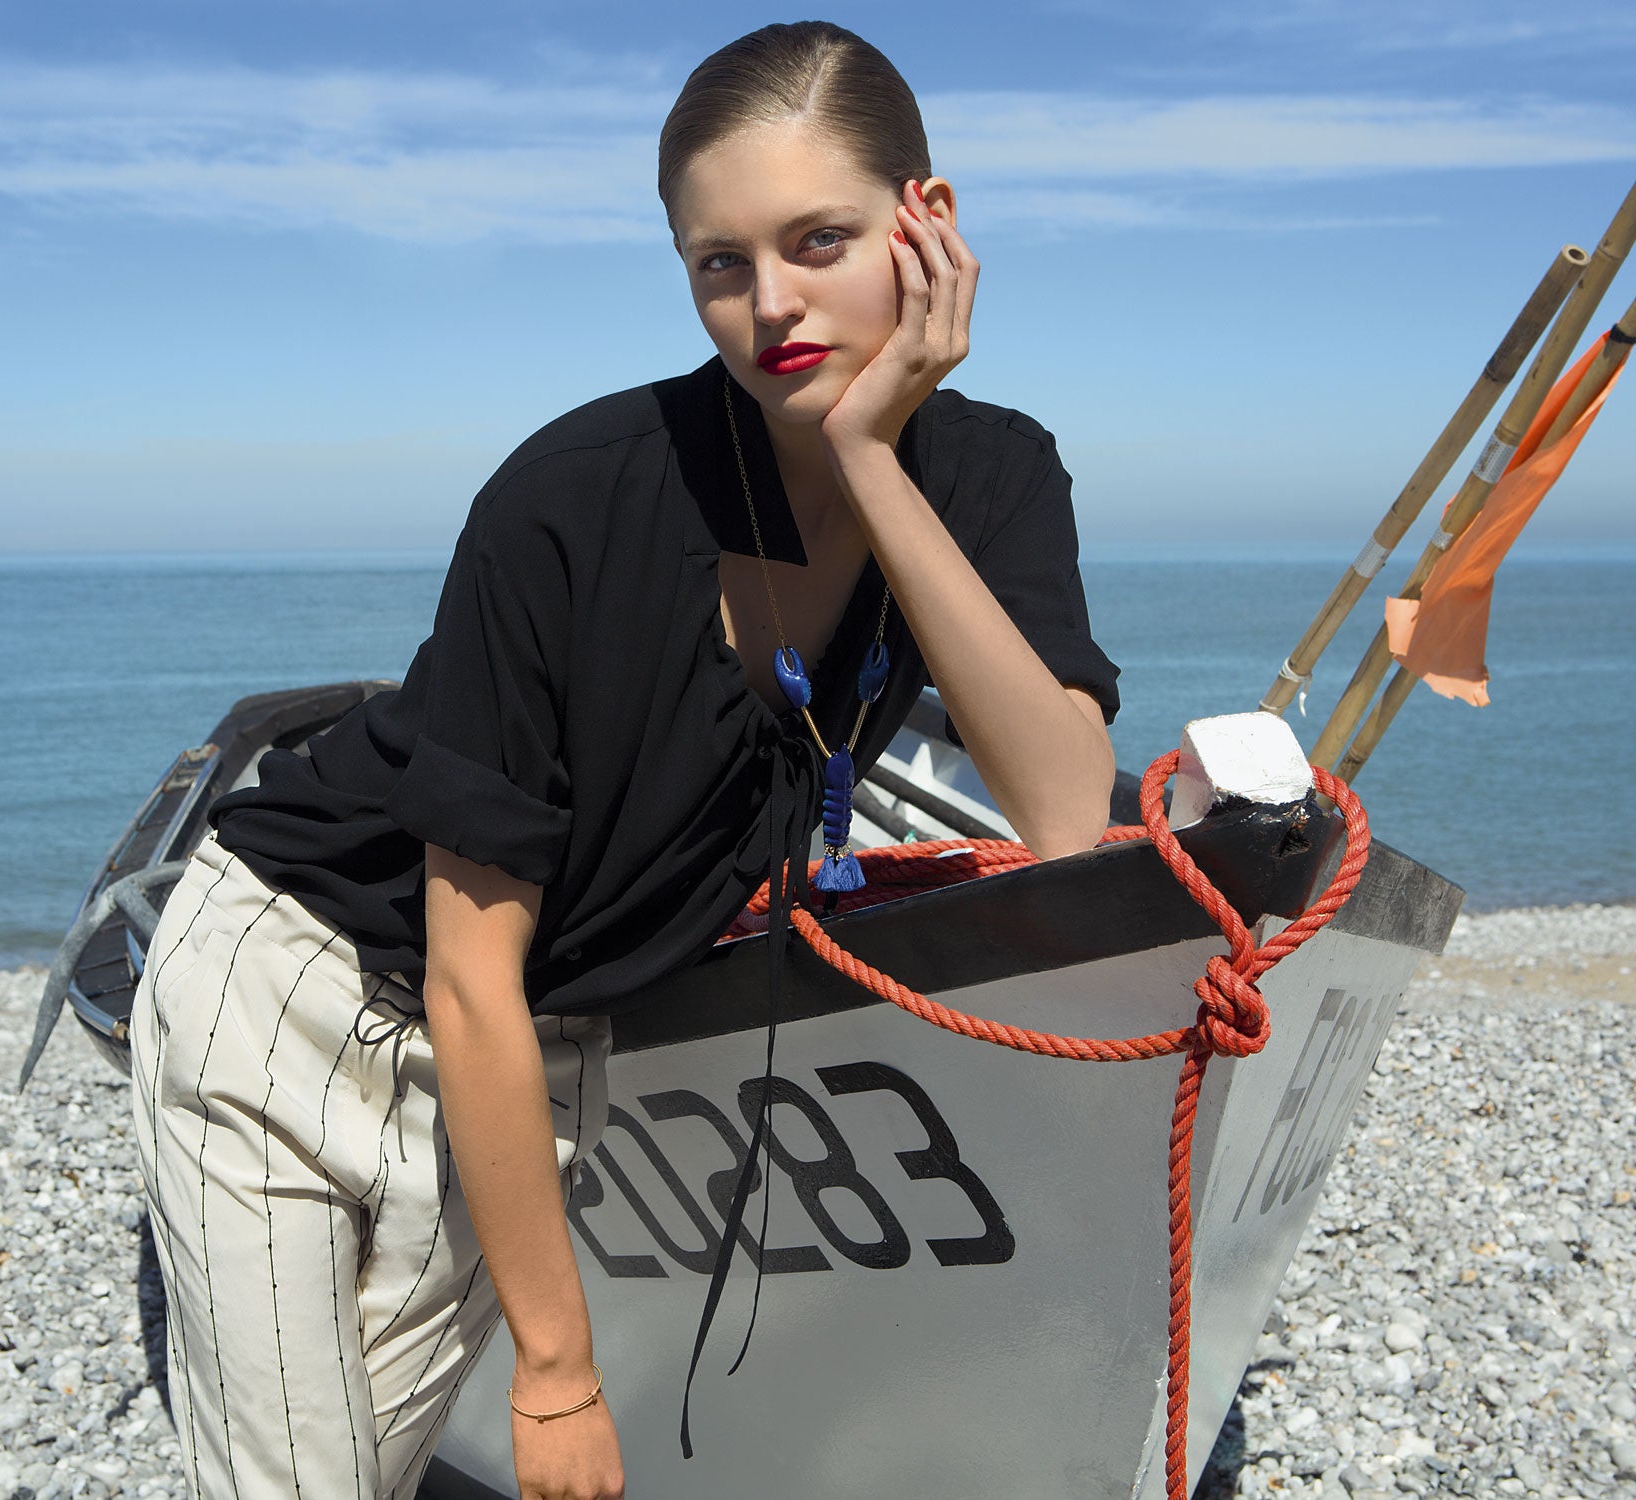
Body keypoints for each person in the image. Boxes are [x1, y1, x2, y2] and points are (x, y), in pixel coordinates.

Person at [127, 19, 1121, 1500]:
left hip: (525, 1046)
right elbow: (470, 970)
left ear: (931, 225)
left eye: (819, 240)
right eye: (719, 263)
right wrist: (558, 1369)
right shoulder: (570, 501)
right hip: (299, 993)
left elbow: (1058, 810)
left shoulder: (991, 472)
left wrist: (865, 457)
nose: (770, 305)